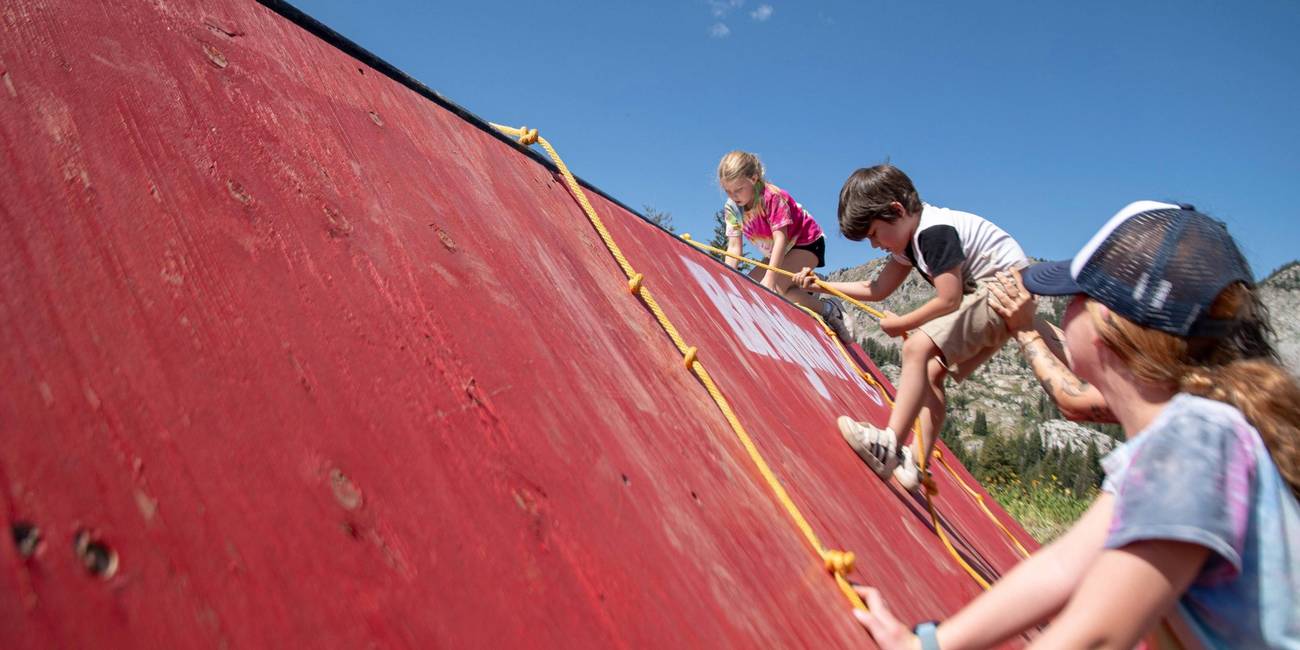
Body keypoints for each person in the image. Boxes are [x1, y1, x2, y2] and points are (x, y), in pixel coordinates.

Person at [851, 201, 1300, 649]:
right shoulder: (1189, 436)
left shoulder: (1194, 444)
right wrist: (927, 644)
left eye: (1073, 297)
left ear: (1104, 321)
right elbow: (1064, 566)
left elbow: (1097, 633)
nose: (1060, 311)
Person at [794, 164, 1028, 490]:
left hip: (1002, 290)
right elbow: (878, 288)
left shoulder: (933, 232)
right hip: (997, 294)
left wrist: (903, 323)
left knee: (917, 347)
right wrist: (822, 286)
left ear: (896, 210)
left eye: (874, 234)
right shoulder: (909, 241)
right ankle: (916, 463)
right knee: (932, 372)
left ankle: (889, 444)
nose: (874, 245)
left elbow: (949, 298)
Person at [716, 151, 854, 341]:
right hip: (779, 251)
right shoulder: (732, 207)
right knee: (746, 288)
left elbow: (780, 238)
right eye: (728, 191)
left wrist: (770, 278)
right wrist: (725, 279)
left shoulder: (772, 197)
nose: (733, 196)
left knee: (773, 291)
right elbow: (733, 247)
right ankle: (803, 288)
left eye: (738, 189)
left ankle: (831, 309)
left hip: (806, 243)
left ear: (754, 179)